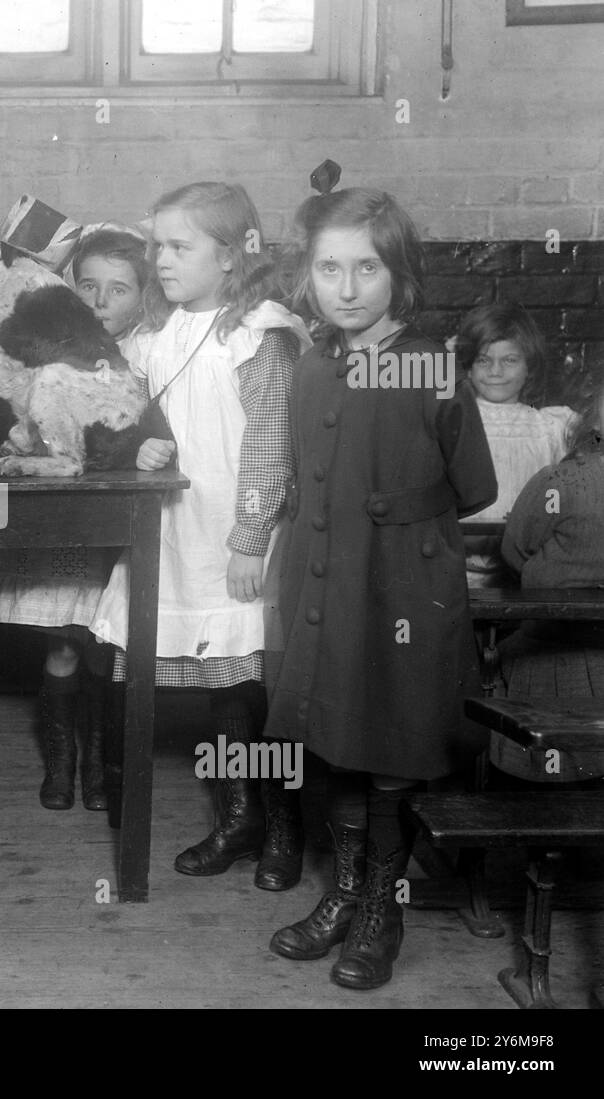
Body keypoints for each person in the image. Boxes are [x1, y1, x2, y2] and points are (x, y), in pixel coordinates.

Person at [266, 179, 497, 989]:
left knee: (391, 744)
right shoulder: (310, 366)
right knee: (337, 741)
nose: (348, 288)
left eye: (367, 269)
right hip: (325, 585)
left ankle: (381, 910)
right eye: (330, 269)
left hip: (399, 588)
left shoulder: (433, 370)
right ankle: (346, 891)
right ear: (309, 278)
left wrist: (396, 516)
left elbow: (473, 487)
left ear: (400, 275)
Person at [89, 185, 312, 890]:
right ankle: (238, 814)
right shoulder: (163, 335)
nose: (160, 259)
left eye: (179, 246)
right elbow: (132, 418)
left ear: (233, 252)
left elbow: (269, 446)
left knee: (261, 686)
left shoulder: (260, 332)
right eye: (156, 244)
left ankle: (283, 827)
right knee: (224, 690)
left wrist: (250, 535)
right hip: (179, 532)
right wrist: (140, 448)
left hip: (241, 535)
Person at [0, 226, 151, 812]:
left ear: (143, 299)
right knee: (63, 645)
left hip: (116, 527)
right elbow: (33, 424)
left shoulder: (145, 357)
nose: (100, 302)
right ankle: (61, 765)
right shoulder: (57, 356)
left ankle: (100, 768)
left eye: (118, 290)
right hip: (59, 526)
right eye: (88, 286)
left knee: (103, 649)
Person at [454, 303, 577, 587]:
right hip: (458, 566)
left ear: (529, 367)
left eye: (509, 360)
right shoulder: (455, 422)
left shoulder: (549, 427)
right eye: (483, 360)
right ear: (469, 368)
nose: (495, 371)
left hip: (525, 568)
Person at [499, 381, 604, 697]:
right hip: (553, 647)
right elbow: (516, 548)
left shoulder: (562, 481)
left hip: (573, 652)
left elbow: (517, 550)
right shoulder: (561, 481)